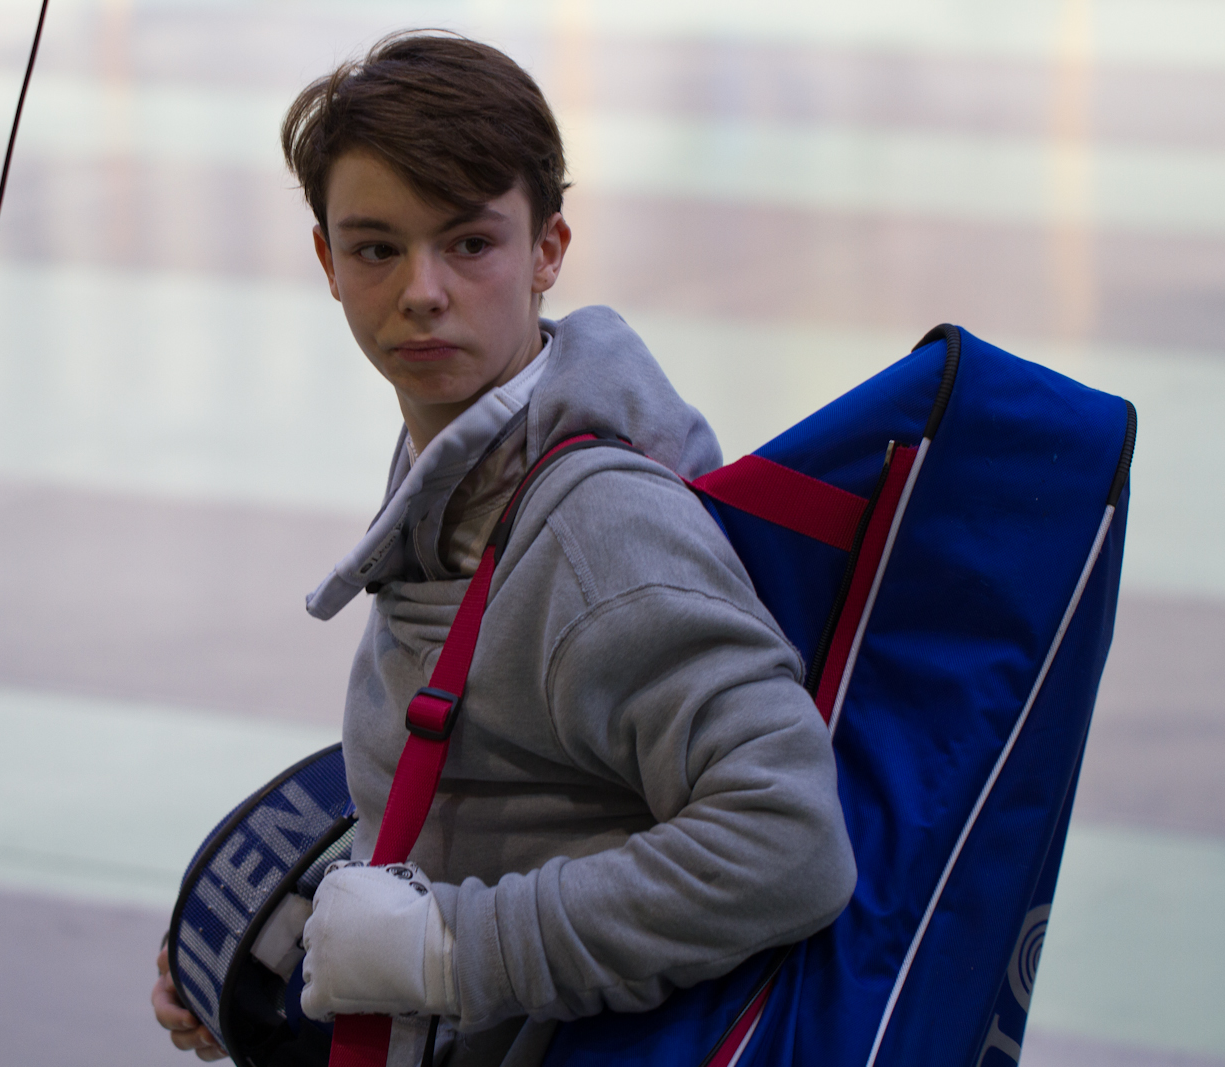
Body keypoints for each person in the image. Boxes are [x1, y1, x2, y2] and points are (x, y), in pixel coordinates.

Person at [153, 30, 856, 1066]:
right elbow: (506, 790)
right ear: (327, 261)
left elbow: (790, 843)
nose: (422, 291)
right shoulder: (460, 470)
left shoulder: (597, 535)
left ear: (547, 251)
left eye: (470, 243)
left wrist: (444, 949)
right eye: (376, 248)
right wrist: (276, 950)